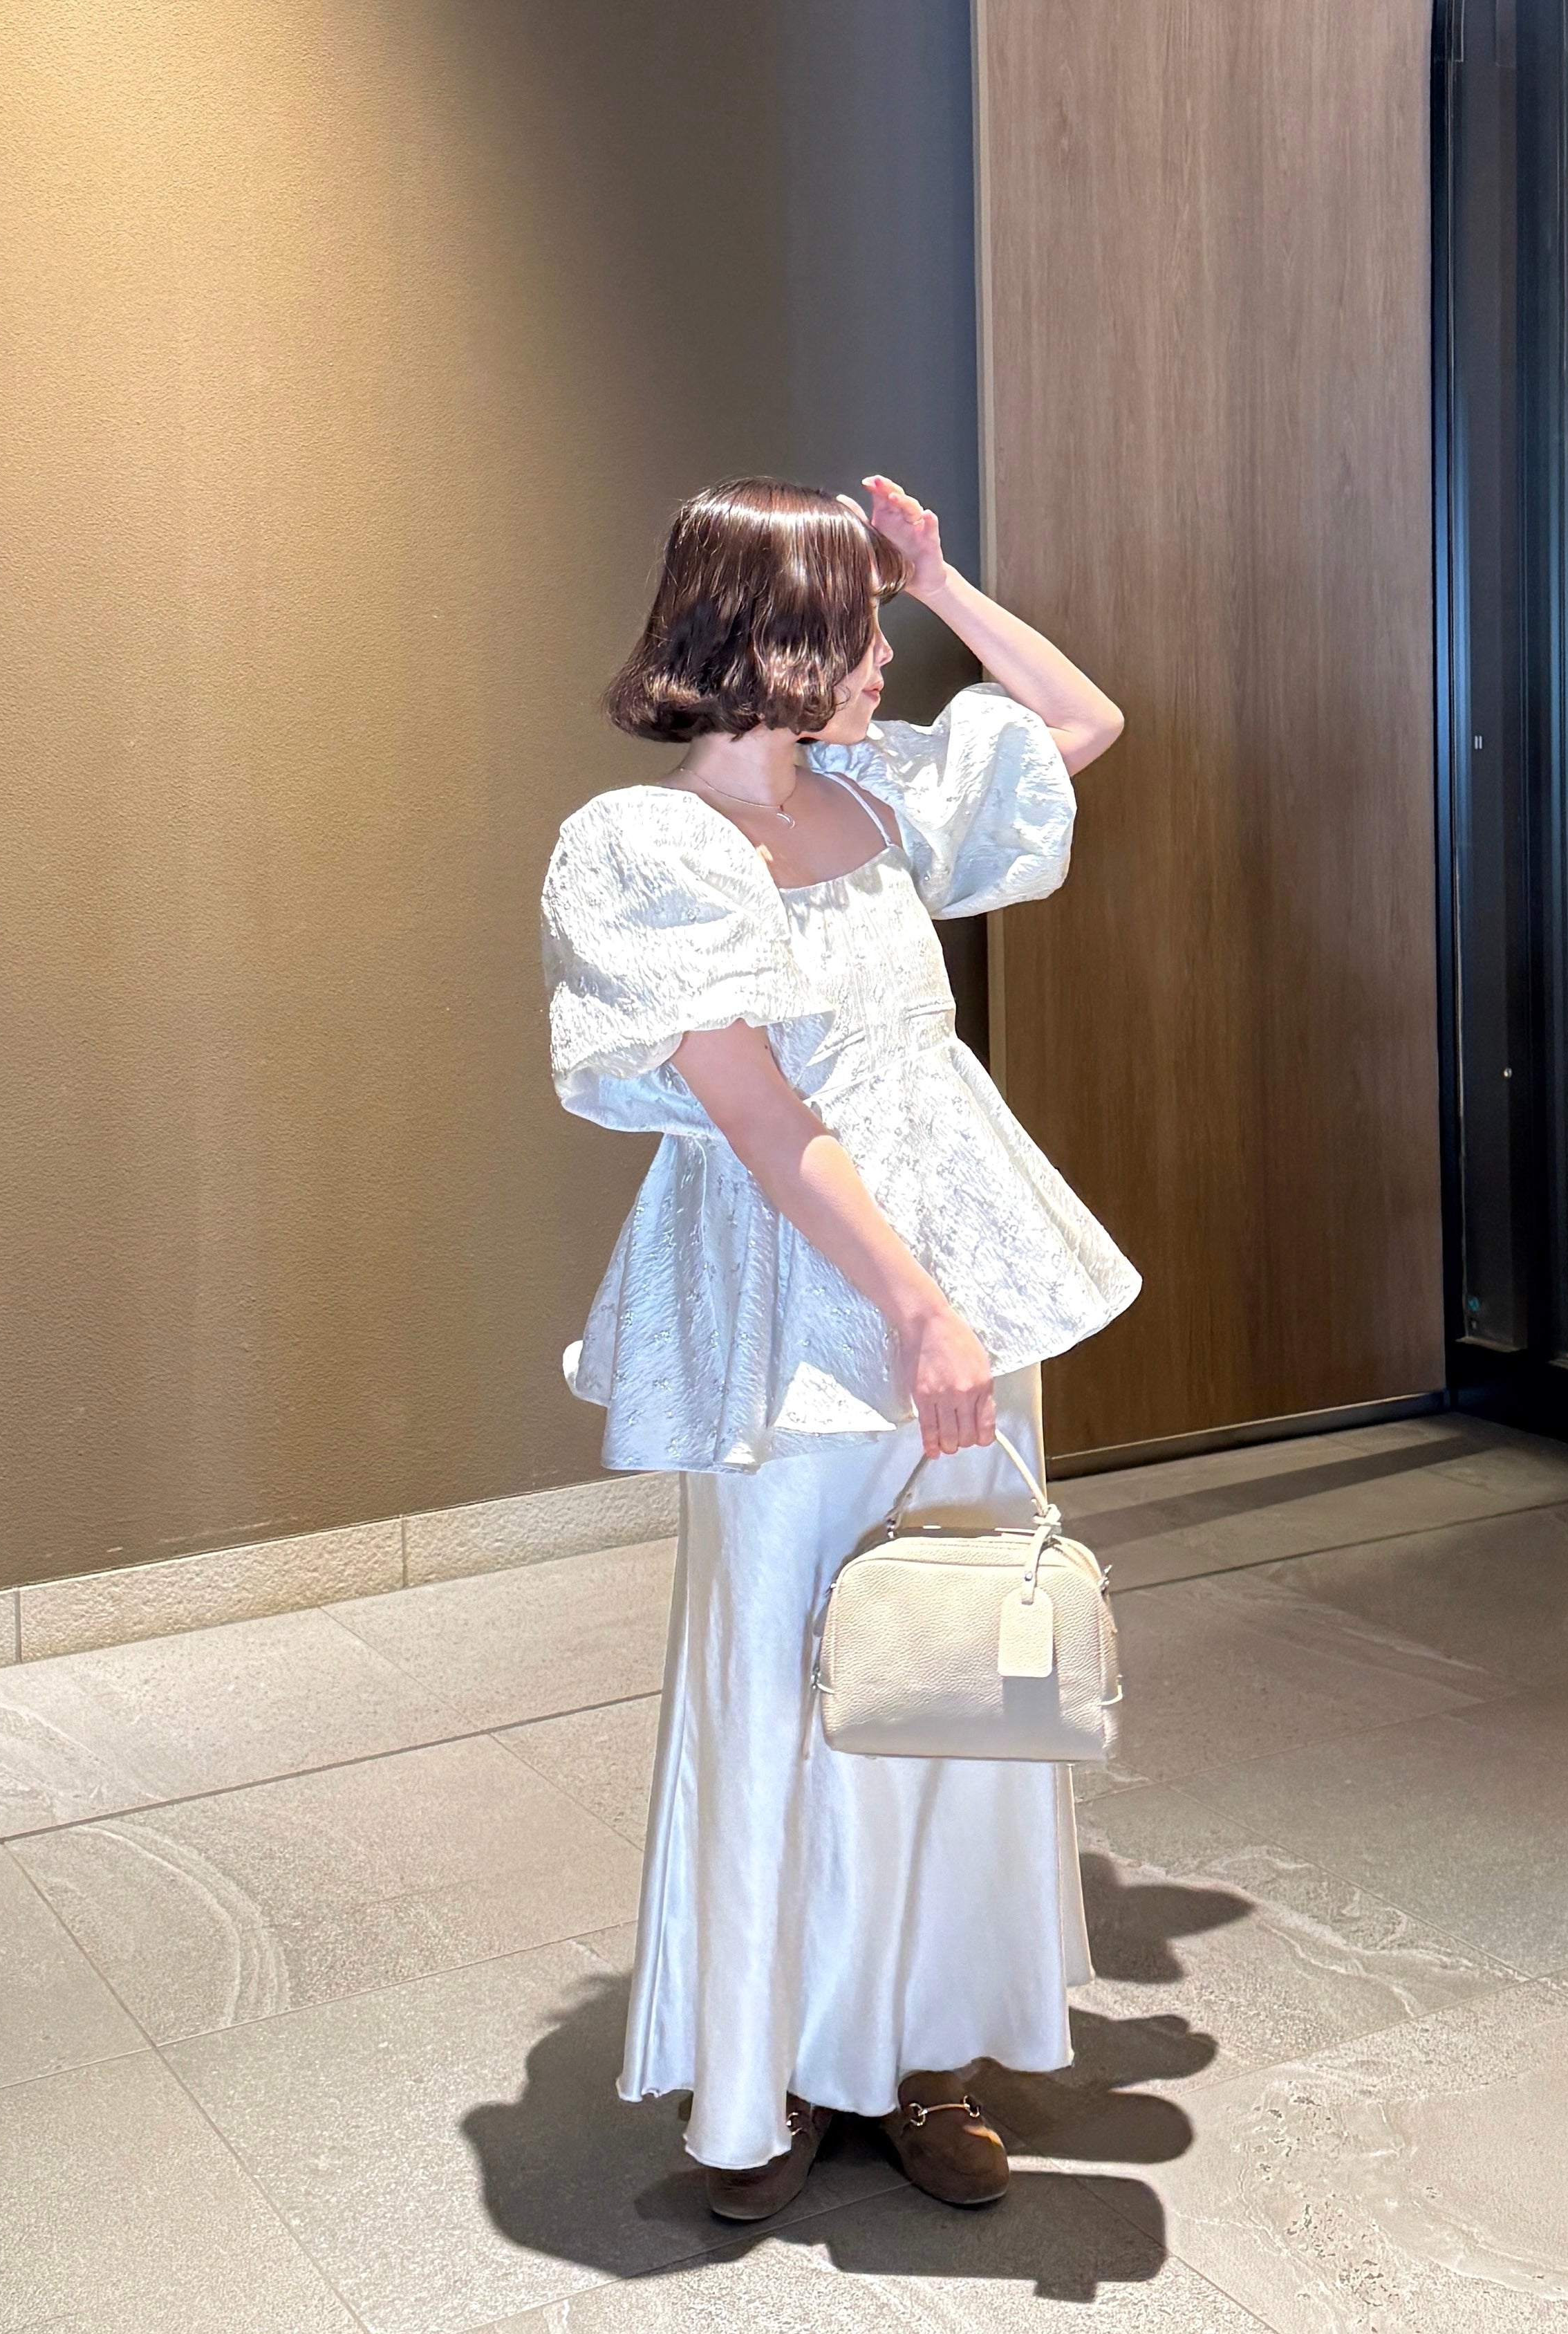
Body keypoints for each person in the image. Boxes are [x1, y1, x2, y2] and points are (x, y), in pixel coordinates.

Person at [541, 474, 1139, 2219]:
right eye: (864, 627)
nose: (887, 659)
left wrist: (944, 579)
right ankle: (777, 2069)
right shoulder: (647, 848)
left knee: (950, 1658)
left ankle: (923, 2050)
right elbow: (758, 1114)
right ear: (774, 637)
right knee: (786, 1675)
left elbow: (1080, 721)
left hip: (952, 1283)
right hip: (801, 1306)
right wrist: (915, 1308)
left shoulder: (873, 793)